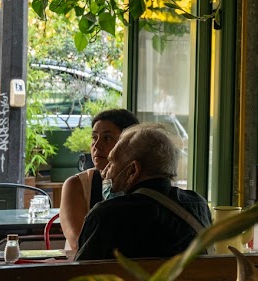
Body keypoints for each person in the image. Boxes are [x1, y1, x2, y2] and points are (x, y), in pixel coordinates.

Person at [74, 123, 212, 261]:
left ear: (133, 171)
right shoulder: (198, 204)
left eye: (112, 163)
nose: (104, 172)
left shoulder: (107, 215)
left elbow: (79, 276)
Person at [59, 109, 139, 252]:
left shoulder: (140, 182)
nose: (97, 146)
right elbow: (79, 245)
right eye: (94, 138)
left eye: (107, 138)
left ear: (129, 144)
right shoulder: (77, 185)